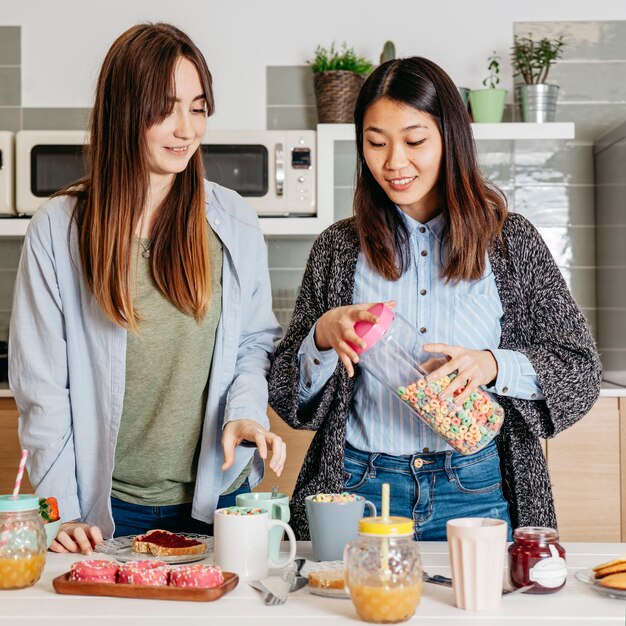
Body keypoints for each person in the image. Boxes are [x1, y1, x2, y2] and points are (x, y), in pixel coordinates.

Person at [268, 56, 602, 541]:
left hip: (478, 487)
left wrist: (490, 364)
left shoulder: (511, 243)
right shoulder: (338, 250)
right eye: (376, 143)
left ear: (451, 137)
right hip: (358, 487)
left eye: (415, 140)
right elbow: (286, 395)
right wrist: (321, 338)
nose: (394, 163)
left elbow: (579, 370)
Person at [9, 22, 285, 554]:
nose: (186, 129)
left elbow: (254, 343)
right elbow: (42, 390)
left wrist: (246, 412)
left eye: (198, 107)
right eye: (165, 107)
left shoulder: (232, 220)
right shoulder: (59, 229)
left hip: (221, 500)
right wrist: (59, 512)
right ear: (123, 111)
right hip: (101, 512)